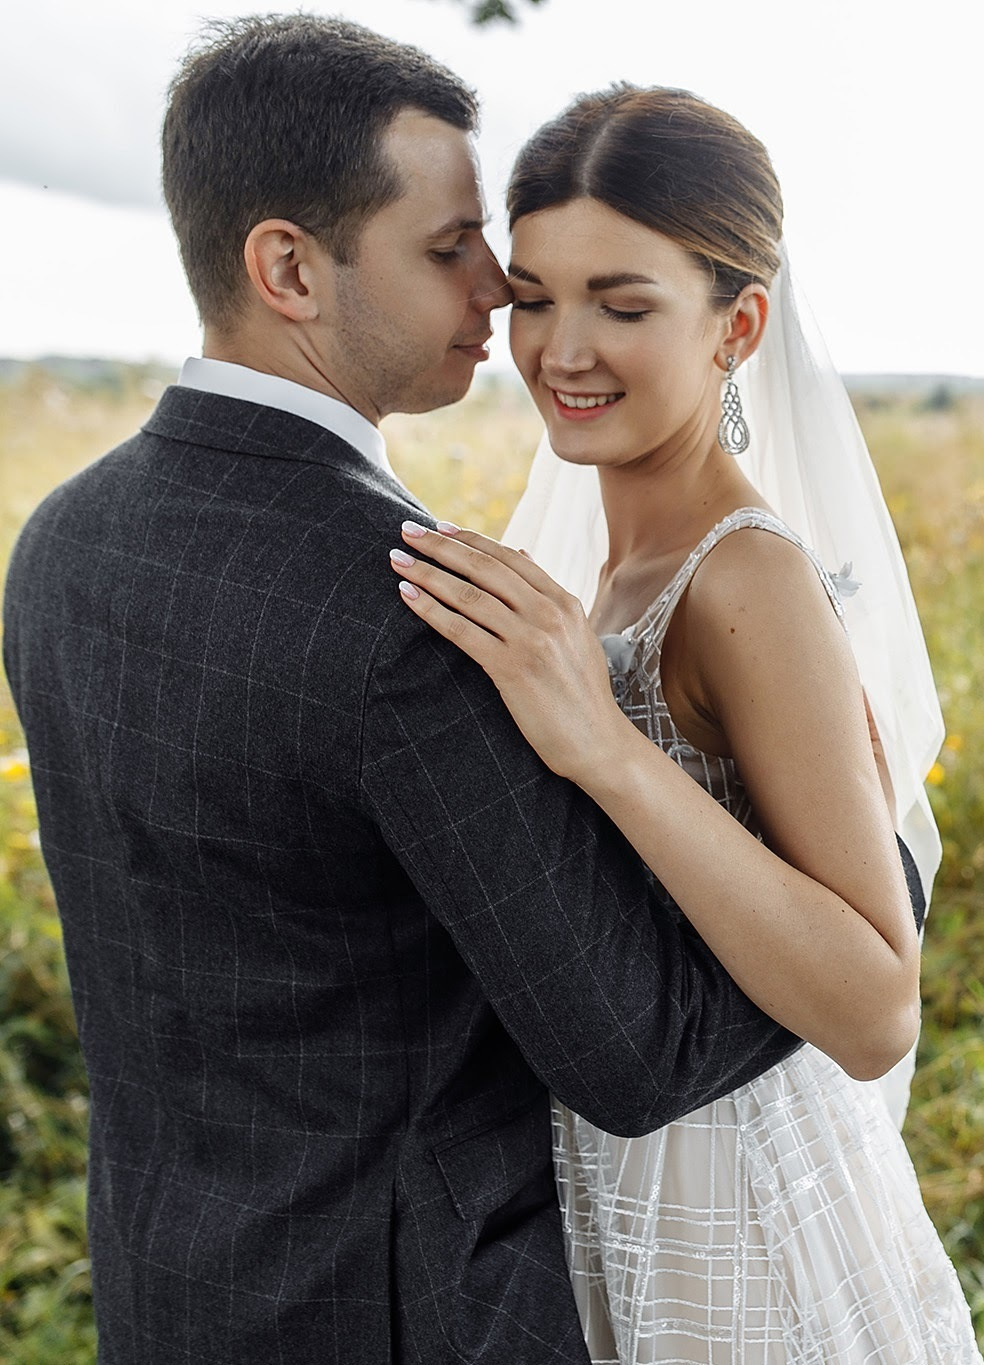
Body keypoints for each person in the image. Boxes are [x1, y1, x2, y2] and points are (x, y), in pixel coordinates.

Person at [0, 19, 916, 1362]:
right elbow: (632, 1047)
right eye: (459, 254)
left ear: (736, 329)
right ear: (289, 269)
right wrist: (887, 856)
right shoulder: (404, 616)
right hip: (405, 1313)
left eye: (603, 295)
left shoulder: (58, 543)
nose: (500, 299)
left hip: (175, 1285)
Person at [385, 84, 978, 1364]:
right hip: (615, 1196)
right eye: (534, 296)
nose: (563, 348)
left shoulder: (745, 577)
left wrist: (601, 749)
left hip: (743, 1227)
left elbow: (878, 1005)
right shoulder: (606, 573)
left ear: (738, 325)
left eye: (624, 303)